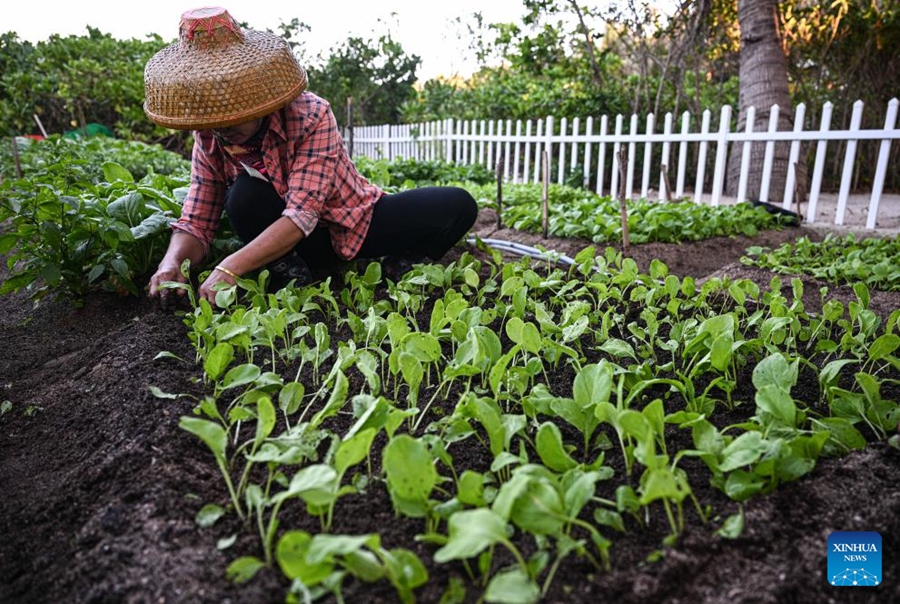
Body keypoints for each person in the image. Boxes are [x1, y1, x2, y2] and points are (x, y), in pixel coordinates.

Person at [144, 7, 477, 306]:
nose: (223, 128)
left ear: (258, 99)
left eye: (232, 118)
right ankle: (292, 274)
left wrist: (229, 267)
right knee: (245, 195)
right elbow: (197, 219)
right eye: (215, 122)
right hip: (294, 245)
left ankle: (399, 262)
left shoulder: (310, 115)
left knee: (457, 205)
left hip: (352, 224)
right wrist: (171, 263)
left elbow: (302, 215)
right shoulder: (209, 135)